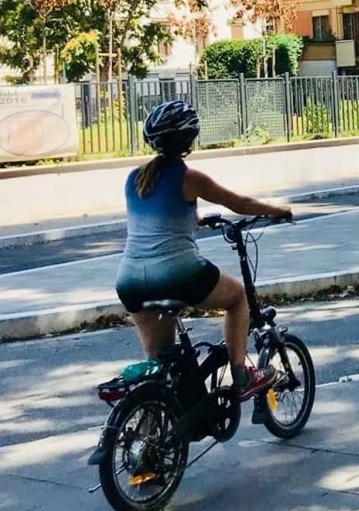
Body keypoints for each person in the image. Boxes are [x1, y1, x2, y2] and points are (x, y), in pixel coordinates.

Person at [116, 101, 292, 401]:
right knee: (237, 298)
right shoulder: (190, 178)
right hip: (178, 274)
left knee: (162, 367)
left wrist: (196, 219)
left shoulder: (134, 179)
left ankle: (158, 424)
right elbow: (239, 204)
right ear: (189, 140)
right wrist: (278, 209)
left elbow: (164, 216)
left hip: (130, 282)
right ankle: (241, 376)